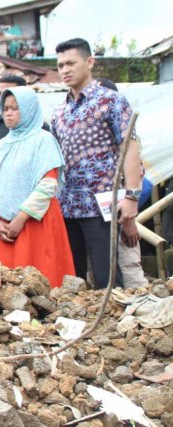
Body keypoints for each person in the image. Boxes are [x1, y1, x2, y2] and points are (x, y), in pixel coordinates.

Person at [52, 38, 141, 289]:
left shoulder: (111, 101)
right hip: (68, 204)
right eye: (60, 66)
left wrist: (132, 197)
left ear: (89, 62)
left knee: (107, 279)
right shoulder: (59, 111)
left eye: (71, 63)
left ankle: (113, 324)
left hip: (101, 204)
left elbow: (130, 147)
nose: (65, 70)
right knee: (73, 279)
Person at [0, 86, 75, 287]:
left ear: (29, 110)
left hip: (35, 223)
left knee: (40, 282)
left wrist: (21, 218)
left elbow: (48, 184)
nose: (8, 113)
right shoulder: (0, 146)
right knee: (6, 287)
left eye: (15, 108)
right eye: (5, 108)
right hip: (4, 228)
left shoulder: (43, 140)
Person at [0, 74, 49, 242]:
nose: (3, 100)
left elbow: (47, 179)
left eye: (14, 104)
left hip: (33, 214)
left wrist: (24, 213)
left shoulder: (42, 133)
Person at [96, 78, 148, 289]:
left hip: (118, 216)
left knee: (129, 267)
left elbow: (136, 176)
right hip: (95, 220)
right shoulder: (90, 135)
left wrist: (128, 219)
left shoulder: (124, 137)